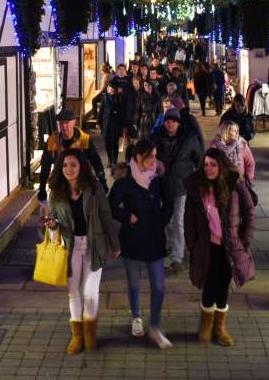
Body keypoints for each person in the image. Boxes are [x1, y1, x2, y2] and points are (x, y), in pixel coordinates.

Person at [45, 149, 120, 354]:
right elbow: (52, 222)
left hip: (94, 244)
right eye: (65, 165)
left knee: (89, 293)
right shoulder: (56, 192)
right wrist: (51, 226)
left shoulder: (94, 188)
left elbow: (106, 215)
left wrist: (115, 245)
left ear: (81, 167)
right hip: (70, 248)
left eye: (73, 165)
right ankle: (77, 336)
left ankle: (89, 333)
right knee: (73, 293)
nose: (69, 169)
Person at [184, 148, 256, 346]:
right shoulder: (197, 187)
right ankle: (206, 325)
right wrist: (193, 245)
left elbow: (249, 211)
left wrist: (243, 241)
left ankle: (220, 327)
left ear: (221, 165)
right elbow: (188, 220)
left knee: (223, 286)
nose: (208, 168)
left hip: (229, 246)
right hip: (206, 247)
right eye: (205, 164)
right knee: (208, 285)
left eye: (213, 164)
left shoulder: (235, 184)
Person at [108, 139, 174, 348]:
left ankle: (155, 327)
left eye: (155, 156)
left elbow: (169, 201)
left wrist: (162, 219)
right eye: (149, 157)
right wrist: (128, 217)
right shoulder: (125, 181)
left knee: (158, 285)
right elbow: (110, 206)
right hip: (133, 239)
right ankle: (137, 317)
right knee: (134, 283)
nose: (154, 160)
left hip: (155, 239)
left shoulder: (158, 179)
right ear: (137, 157)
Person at [153, 108, 204, 275]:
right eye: (168, 121)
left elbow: (200, 159)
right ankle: (168, 245)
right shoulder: (156, 137)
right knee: (165, 219)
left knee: (178, 221)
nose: (170, 124)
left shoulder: (189, 139)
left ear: (178, 123)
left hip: (182, 185)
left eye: (173, 121)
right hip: (161, 185)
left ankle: (177, 257)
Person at [38, 108, 106, 203]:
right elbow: (45, 166)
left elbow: (96, 162)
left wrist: (103, 182)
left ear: (74, 123)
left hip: (81, 180)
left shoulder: (84, 139)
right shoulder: (52, 141)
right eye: (61, 123)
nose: (64, 126)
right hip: (61, 180)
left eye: (67, 122)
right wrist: (42, 189)